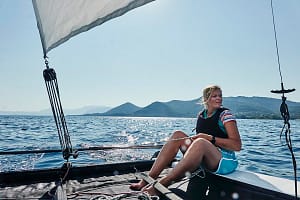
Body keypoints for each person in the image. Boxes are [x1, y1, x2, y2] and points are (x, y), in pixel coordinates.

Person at [130, 85, 242, 196]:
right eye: (214, 96)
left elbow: (237, 146)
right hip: (206, 157)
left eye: (220, 96)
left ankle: (162, 184)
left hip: (224, 160)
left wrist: (209, 138)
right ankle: (147, 179)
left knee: (201, 142)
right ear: (206, 99)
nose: (219, 98)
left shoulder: (225, 115)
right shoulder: (201, 115)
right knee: (177, 135)